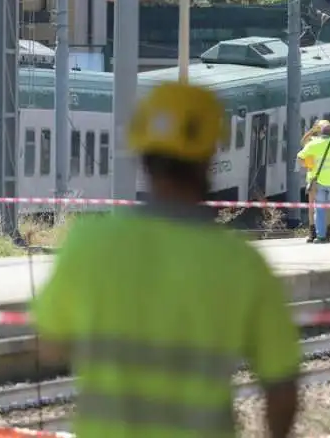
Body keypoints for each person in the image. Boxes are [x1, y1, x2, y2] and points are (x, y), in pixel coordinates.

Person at [31, 82, 300, 438]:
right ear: (209, 157)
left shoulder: (88, 243)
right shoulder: (242, 263)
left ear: (142, 155)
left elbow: (51, 347)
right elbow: (282, 386)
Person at [297, 122, 330, 244]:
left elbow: (299, 157)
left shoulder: (313, 144)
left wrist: (308, 165)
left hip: (319, 181)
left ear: (321, 132)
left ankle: (320, 236)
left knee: (320, 210)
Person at [301, 119, 330, 243]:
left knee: (321, 207)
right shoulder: (314, 141)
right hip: (318, 178)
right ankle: (320, 233)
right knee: (319, 207)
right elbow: (303, 143)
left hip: (320, 178)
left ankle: (321, 233)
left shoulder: (328, 140)